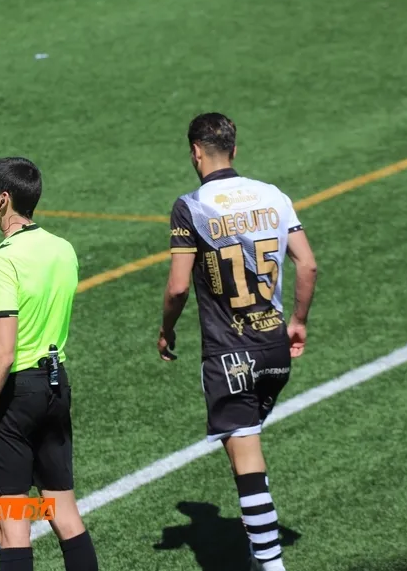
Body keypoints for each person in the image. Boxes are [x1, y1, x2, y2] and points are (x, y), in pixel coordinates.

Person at [157, 113, 318, 571]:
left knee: (247, 465)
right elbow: (307, 264)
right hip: (275, 349)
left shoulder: (191, 206)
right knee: (248, 449)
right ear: (234, 149)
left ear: (195, 152)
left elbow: (178, 288)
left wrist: (166, 329)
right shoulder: (273, 195)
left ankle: (269, 563)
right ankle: (258, 551)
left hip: (231, 354)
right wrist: (299, 321)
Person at [0, 158, 99, 571]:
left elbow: (4, 352)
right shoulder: (62, 248)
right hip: (55, 387)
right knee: (63, 513)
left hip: (16, 397)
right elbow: (35, 300)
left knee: (11, 526)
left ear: (3, 199)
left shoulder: (0, 259)